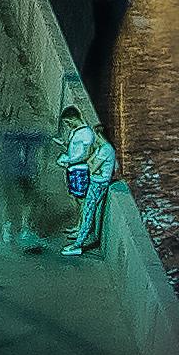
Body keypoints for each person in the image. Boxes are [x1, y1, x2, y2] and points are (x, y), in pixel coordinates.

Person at [53, 102, 120, 258]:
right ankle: (79, 237)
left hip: (96, 183)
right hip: (95, 180)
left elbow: (91, 164)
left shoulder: (105, 149)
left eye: (96, 137)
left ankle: (78, 244)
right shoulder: (104, 149)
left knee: (88, 210)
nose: (93, 140)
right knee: (85, 207)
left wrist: (85, 161)